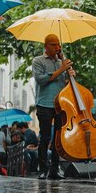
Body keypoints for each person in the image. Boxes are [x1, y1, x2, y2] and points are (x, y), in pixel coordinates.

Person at [32, 34, 75, 180]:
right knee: (45, 137)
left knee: (58, 138)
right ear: (46, 46)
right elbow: (41, 80)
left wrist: (70, 75)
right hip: (44, 104)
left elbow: (65, 84)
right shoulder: (38, 61)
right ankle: (42, 170)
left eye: (58, 45)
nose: (58, 48)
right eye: (54, 45)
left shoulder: (62, 62)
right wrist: (61, 69)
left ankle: (54, 170)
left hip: (60, 105)